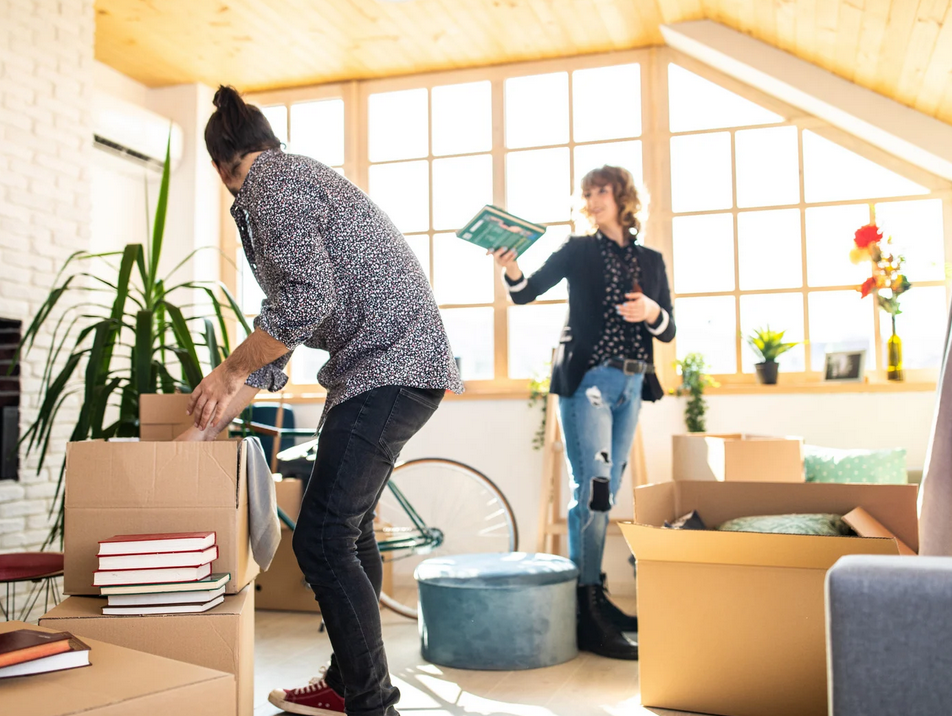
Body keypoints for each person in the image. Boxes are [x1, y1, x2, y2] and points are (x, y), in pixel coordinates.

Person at [176, 86, 463, 716]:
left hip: (390, 366)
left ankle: (369, 701)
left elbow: (304, 305)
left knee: (324, 538)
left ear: (223, 163)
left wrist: (226, 372)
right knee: (348, 532)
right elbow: (285, 331)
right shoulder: (292, 177)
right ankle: (352, 682)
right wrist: (209, 418)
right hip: (392, 367)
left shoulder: (269, 186)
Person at [491, 165, 675, 660]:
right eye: (588, 193)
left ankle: (595, 598)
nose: (593, 199)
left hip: (633, 384)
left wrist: (651, 312)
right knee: (592, 492)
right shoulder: (577, 250)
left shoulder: (651, 260)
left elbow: (669, 328)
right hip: (590, 382)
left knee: (607, 492)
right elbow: (526, 290)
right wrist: (511, 265)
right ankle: (585, 608)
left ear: (623, 197)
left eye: (602, 191)